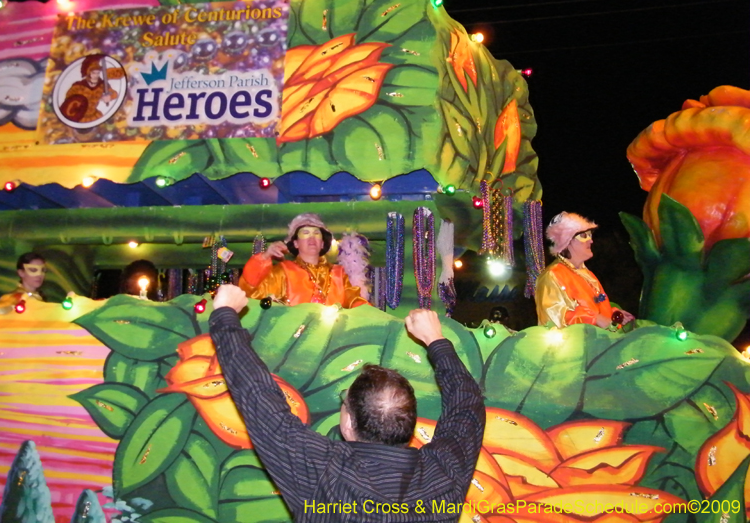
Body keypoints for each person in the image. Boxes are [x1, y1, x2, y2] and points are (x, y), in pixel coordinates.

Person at [209, 283, 484, 522]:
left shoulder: (321, 471)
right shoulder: (444, 472)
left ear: (349, 422)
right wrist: (435, 338)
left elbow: (258, 397)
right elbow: (467, 405)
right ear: (409, 422)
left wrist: (224, 315)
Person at [239, 213, 368, 308]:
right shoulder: (284, 271)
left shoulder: (338, 274)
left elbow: (356, 302)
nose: (311, 238)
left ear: (322, 243)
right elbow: (251, 292)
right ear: (295, 243)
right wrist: (264, 257)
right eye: (305, 233)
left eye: (316, 233)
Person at [535, 212, 635, 328]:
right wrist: (594, 319)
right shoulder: (552, 275)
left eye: (590, 235)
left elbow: (595, 308)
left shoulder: (588, 275)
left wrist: (612, 315)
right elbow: (554, 319)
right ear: (567, 242)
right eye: (583, 236)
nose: (591, 241)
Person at [59, 54, 125, 123]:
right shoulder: (78, 87)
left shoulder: (102, 85)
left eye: (98, 73)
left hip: (95, 116)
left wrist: (109, 97)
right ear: (88, 73)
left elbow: (114, 93)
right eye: (93, 73)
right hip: (80, 118)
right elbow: (68, 105)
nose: (96, 76)